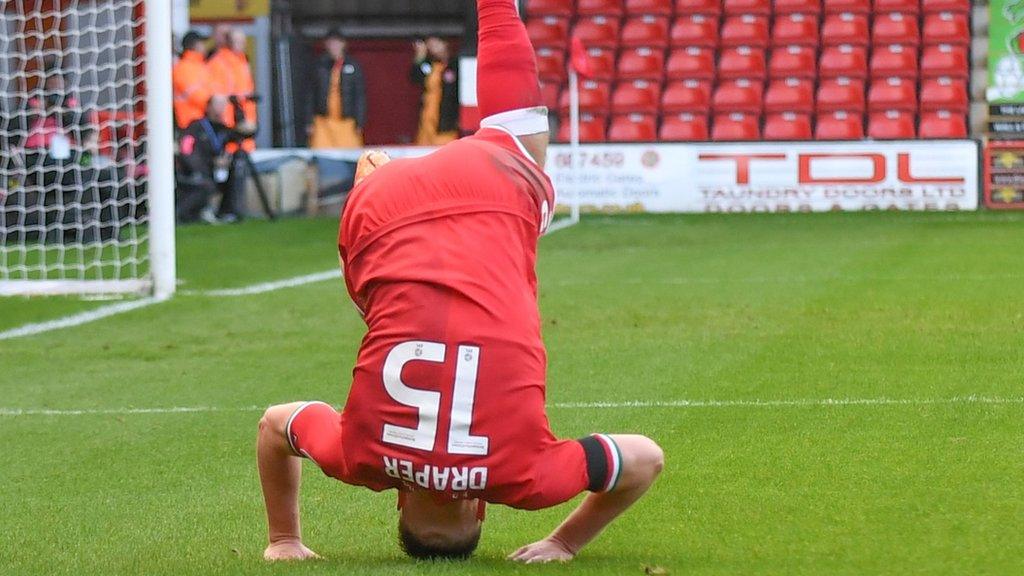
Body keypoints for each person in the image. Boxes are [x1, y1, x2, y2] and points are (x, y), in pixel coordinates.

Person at [256, 0, 663, 564]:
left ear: (481, 509)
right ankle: (375, 179)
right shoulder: (359, 459)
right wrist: (284, 541)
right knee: (380, 296)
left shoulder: (528, 479)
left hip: (488, 192)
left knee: (521, 142)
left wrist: (562, 541)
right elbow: (276, 425)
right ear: (398, 503)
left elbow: (646, 457)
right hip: (380, 218)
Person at [175, 95, 236, 224]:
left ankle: (226, 211)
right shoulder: (195, 127)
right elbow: (186, 150)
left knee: (238, 165)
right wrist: (205, 165)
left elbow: (242, 134)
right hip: (195, 172)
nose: (220, 109)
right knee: (205, 185)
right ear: (208, 107)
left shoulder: (223, 129)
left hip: (217, 171)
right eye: (217, 105)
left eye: (223, 105)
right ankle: (187, 214)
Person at [308, 29, 367, 149]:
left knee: (350, 156)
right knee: (321, 156)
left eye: (337, 43)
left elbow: (360, 95)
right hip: (323, 122)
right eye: (331, 43)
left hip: (347, 122)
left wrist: (360, 122)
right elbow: (310, 95)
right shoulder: (318, 66)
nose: (334, 46)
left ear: (343, 44)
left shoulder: (353, 66)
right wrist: (309, 122)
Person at [207, 27, 258, 153]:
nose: (243, 45)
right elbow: (216, 91)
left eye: (243, 41)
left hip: (245, 115)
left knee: (245, 149)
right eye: (238, 42)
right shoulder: (218, 62)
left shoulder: (242, 62)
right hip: (228, 118)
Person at [410, 36, 460, 145]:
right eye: (430, 46)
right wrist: (420, 57)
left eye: (436, 44)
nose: (433, 48)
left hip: (447, 120)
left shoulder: (456, 64)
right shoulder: (429, 64)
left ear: (445, 43)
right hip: (428, 114)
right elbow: (415, 77)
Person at [172, 31, 212, 131]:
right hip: (189, 123)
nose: (204, 46)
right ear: (194, 45)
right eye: (202, 43)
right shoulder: (183, 67)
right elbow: (195, 94)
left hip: (202, 121)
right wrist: (214, 102)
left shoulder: (201, 66)